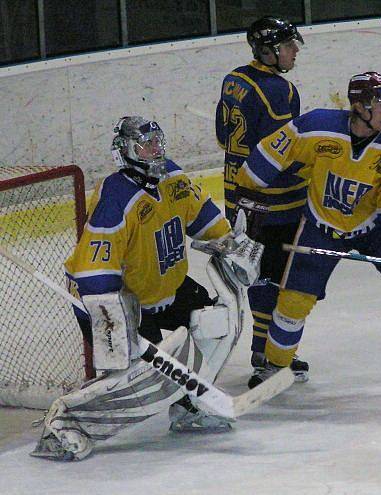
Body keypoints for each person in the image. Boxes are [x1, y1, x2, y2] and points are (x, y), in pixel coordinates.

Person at [31, 116, 263, 461]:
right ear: (126, 152)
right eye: (145, 146)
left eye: (157, 143)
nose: (154, 151)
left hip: (162, 286)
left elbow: (202, 217)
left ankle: (189, 405)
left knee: (214, 322)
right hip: (112, 297)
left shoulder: (172, 177)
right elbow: (95, 268)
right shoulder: (116, 196)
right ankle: (65, 424)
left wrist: (228, 241)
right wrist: (114, 318)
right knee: (143, 377)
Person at [234, 71, 381, 388]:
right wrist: (249, 190)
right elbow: (270, 153)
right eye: (380, 102)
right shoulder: (316, 126)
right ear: (359, 105)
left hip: (372, 229)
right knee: (293, 302)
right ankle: (274, 366)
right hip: (320, 226)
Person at [215, 16, 309, 387]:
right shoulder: (279, 92)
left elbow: (225, 138)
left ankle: (263, 350)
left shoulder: (234, 79)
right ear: (267, 51)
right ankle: (268, 352)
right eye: (288, 46)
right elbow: (283, 154)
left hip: (237, 195)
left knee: (259, 273)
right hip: (275, 201)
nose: (295, 51)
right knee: (279, 275)